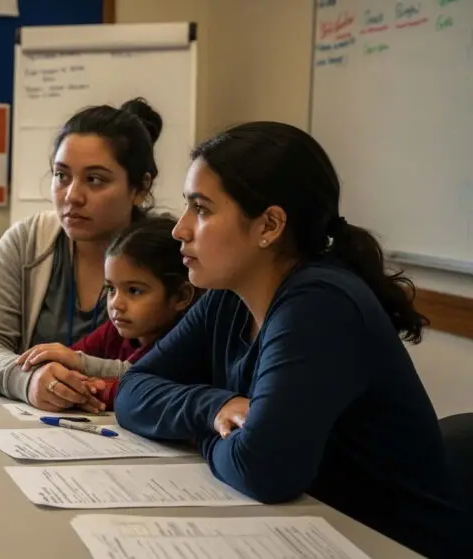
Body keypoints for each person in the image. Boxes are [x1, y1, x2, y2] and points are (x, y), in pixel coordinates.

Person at [112, 121, 469, 557]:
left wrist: (194, 435)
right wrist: (213, 409)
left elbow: (263, 470)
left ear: (269, 225)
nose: (179, 229)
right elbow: (132, 390)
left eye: (201, 209)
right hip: (306, 532)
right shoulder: (230, 296)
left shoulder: (320, 305)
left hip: (390, 545)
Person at [0, 97, 162, 413]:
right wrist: (28, 381)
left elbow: (181, 370)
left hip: (136, 429)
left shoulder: (170, 256)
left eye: (95, 180)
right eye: (61, 175)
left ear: (140, 188)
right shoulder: (27, 241)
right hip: (36, 430)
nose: (72, 196)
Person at [14, 214, 198, 410]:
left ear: (180, 296)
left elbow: (136, 385)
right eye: (111, 289)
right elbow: (66, 360)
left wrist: (80, 382)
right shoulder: (115, 330)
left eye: (134, 290)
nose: (116, 304)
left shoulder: (183, 341)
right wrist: (65, 373)